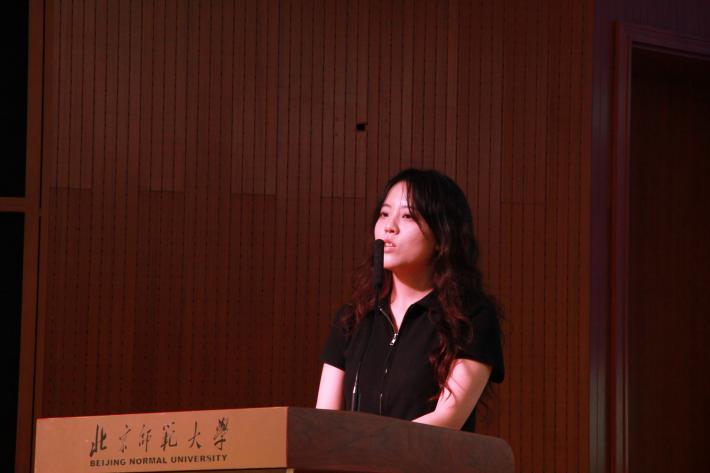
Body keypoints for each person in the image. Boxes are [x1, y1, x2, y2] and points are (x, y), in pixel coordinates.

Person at [316, 168, 504, 432]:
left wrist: (367, 445)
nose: (389, 227)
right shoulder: (353, 319)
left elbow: (447, 420)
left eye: (407, 216)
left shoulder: (471, 317)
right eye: (384, 214)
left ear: (441, 236)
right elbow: (324, 421)